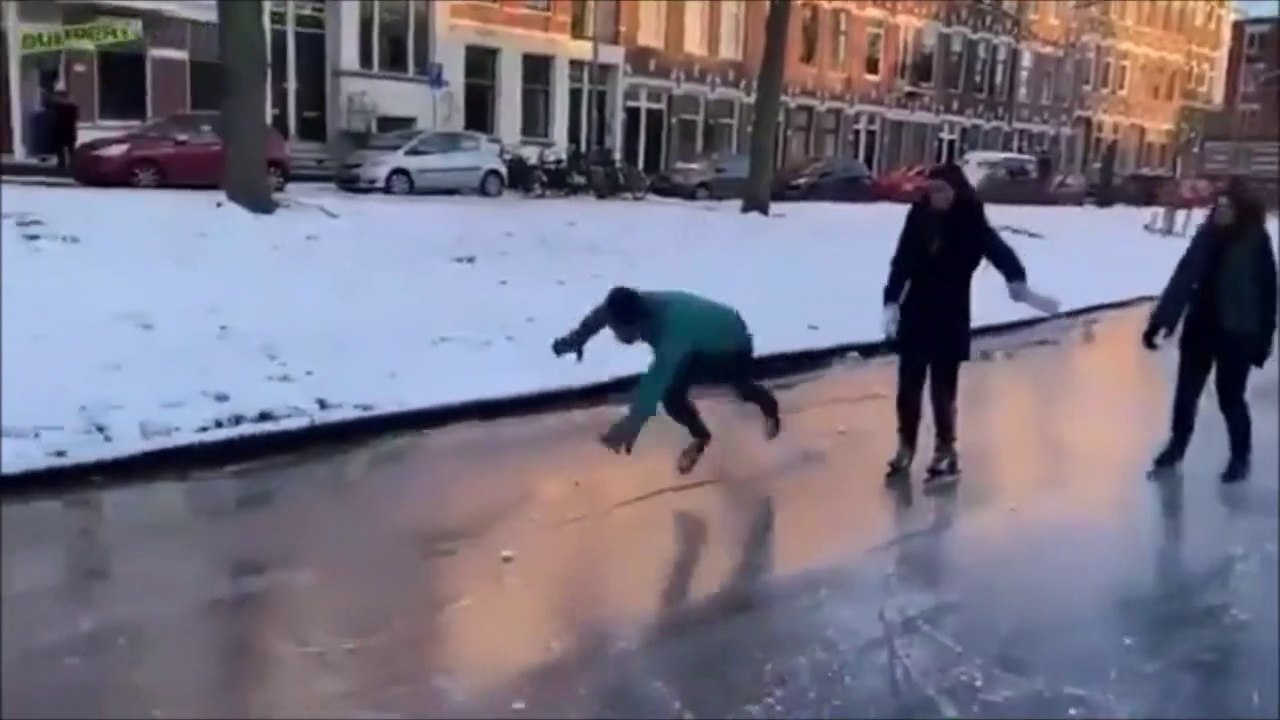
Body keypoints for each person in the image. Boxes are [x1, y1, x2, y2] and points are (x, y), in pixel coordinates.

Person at [881, 163, 1057, 484]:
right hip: (916, 312)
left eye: (942, 191)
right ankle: (905, 446)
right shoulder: (918, 216)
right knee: (908, 387)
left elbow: (998, 250)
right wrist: (891, 301)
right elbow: (902, 260)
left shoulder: (970, 220)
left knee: (942, 389)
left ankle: (945, 450)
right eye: (931, 190)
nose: (935, 196)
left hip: (950, 314)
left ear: (956, 191)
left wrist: (1017, 281)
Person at [552, 287, 781, 474]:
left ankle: (770, 407)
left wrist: (630, 425)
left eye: (621, 331)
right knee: (673, 394)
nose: (618, 336)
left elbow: (657, 379)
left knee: (735, 386)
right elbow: (597, 318)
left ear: (638, 323)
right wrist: (573, 341)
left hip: (731, 343)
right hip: (700, 335)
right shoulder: (622, 307)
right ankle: (701, 437)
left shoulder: (670, 331)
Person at [1143, 180, 1277, 482]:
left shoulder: (1256, 241)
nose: (1221, 211)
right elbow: (1184, 276)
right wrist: (1161, 320)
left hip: (1237, 332)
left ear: (1241, 210)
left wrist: (1263, 340)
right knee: (1186, 393)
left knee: (1231, 397)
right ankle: (1176, 447)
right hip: (1200, 326)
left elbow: (1269, 294)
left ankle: (1240, 457)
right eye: (1220, 205)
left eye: (1228, 206)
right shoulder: (1206, 236)